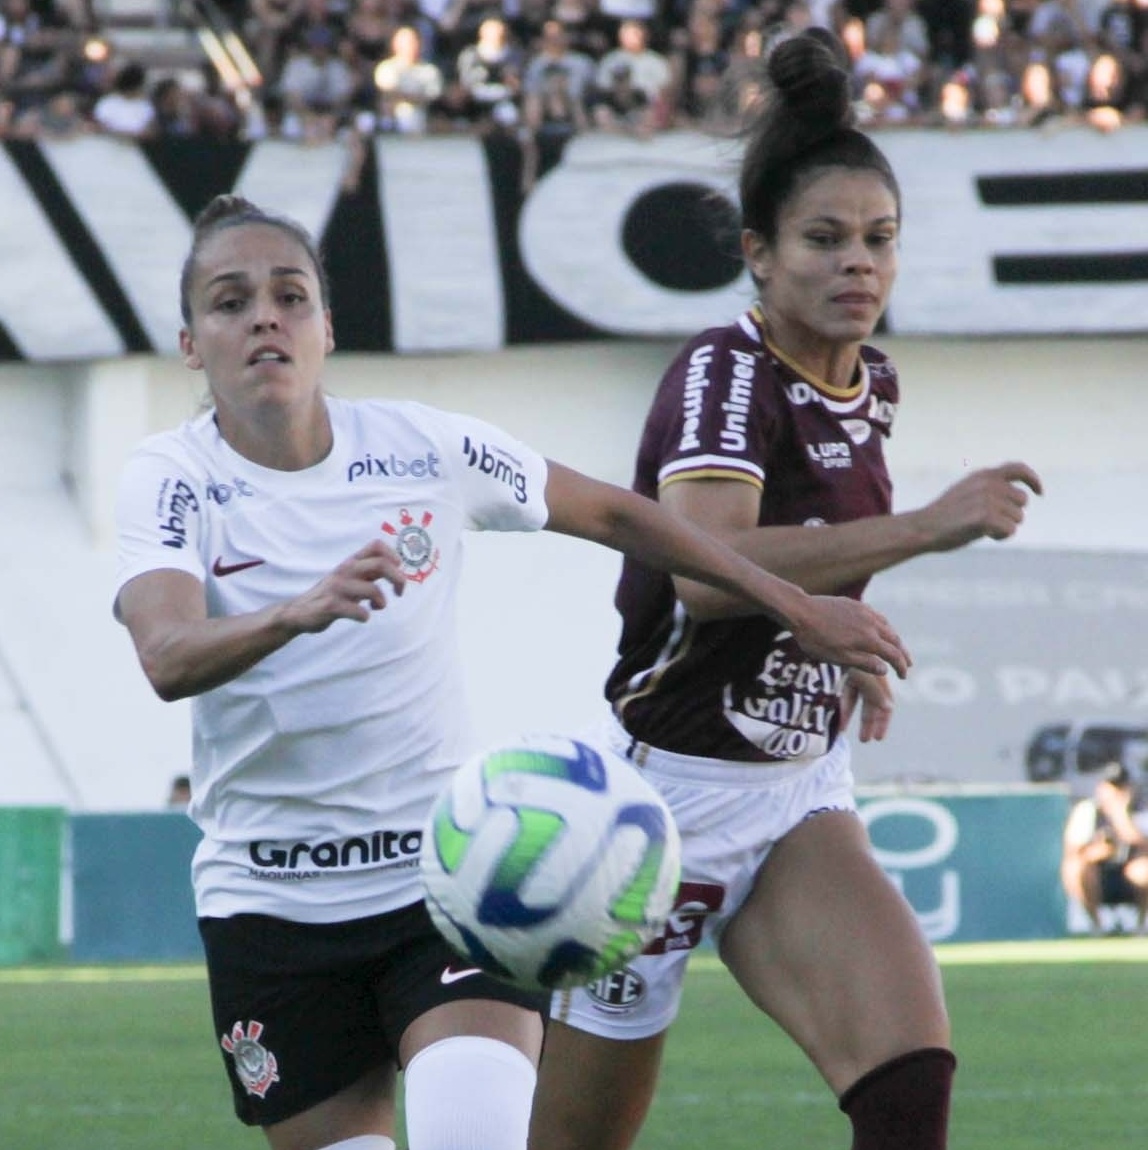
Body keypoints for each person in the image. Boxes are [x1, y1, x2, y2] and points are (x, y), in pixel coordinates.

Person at [112, 192, 909, 1150]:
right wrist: (298, 609)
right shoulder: (169, 477)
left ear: (328, 324)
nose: (264, 317)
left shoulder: (422, 446)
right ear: (193, 343)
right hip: (268, 913)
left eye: (290, 295)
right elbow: (166, 655)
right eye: (230, 302)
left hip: (448, 886)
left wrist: (794, 605)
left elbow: (618, 513)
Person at [527, 30, 1042, 1150]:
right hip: (662, 805)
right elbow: (711, 572)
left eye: (878, 239)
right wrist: (926, 525)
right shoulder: (725, 366)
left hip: (796, 790)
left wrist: (835, 648)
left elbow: (810, 556)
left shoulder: (871, 381)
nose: (857, 262)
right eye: (824, 239)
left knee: (908, 1084)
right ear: (757, 254)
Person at [1061, 762, 1148, 935]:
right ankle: (1097, 926)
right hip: (1098, 875)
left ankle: (1140, 925)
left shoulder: (1139, 810)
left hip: (1128, 875)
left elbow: (1142, 844)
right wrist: (1098, 852)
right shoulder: (1088, 810)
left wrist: (1120, 816)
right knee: (1078, 868)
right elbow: (1073, 851)